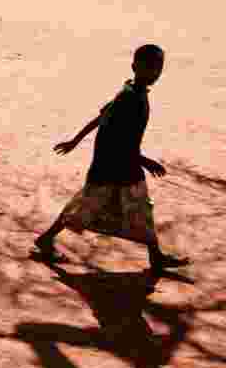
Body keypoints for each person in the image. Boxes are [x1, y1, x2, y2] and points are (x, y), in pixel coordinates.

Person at [33, 44, 189, 272]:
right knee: (85, 206)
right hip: (110, 166)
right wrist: (146, 161)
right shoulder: (129, 99)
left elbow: (101, 119)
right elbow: (120, 142)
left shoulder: (131, 92)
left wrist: (75, 141)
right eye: (149, 67)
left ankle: (155, 257)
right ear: (135, 66)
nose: (154, 72)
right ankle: (46, 238)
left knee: (141, 208)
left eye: (158, 67)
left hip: (124, 164)